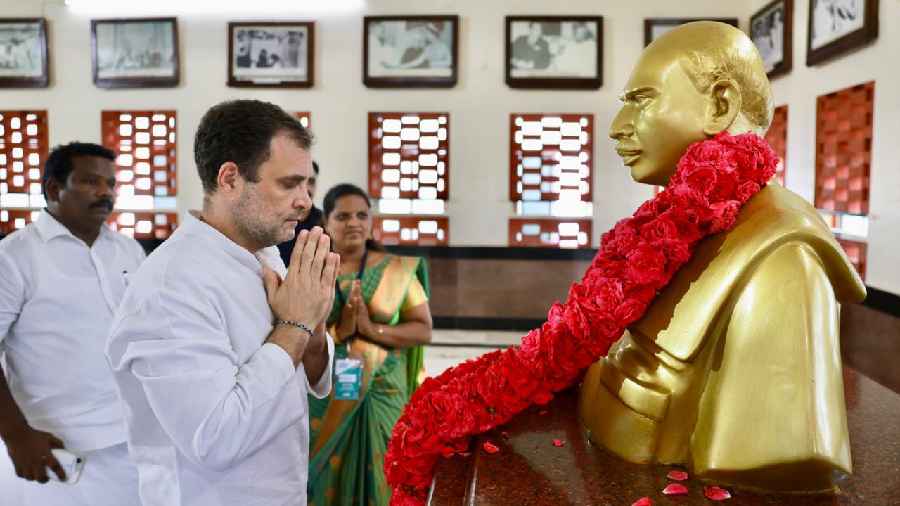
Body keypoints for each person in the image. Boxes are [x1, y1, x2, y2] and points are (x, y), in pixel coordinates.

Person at [579, 21, 865, 491]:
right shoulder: (677, 225)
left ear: (720, 105)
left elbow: (778, 453)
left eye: (642, 100)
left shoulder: (782, 259)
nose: (617, 129)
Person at [106, 99, 336, 506]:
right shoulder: (172, 286)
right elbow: (215, 437)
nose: (305, 201)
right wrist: (295, 326)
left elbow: (305, 373)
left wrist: (313, 329)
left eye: (307, 186)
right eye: (289, 184)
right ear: (229, 178)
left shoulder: (262, 253)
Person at [0, 142, 145, 506]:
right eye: (91, 181)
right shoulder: (16, 257)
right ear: (53, 188)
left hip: (133, 438)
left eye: (111, 184)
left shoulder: (128, 251)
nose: (105, 192)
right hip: (55, 448)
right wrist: (16, 435)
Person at [307, 183, 432, 506]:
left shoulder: (396, 270)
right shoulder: (310, 270)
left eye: (362, 215)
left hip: (383, 390)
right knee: (324, 474)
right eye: (343, 215)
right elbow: (296, 330)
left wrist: (370, 330)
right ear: (325, 221)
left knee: (385, 471)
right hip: (326, 387)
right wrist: (339, 331)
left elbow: (422, 330)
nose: (354, 223)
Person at [277, 160, 323, 267]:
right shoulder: (276, 221)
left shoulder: (326, 221)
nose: (306, 188)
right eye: (299, 182)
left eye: (311, 181)